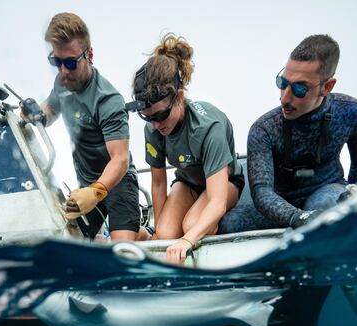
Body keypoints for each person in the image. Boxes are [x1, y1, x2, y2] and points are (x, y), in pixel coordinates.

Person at [220, 34, 357, 234]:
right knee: (228, 224)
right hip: (280, 202)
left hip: (327, 191)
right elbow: (261, 192)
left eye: (300, 89)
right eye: (282, 83)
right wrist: (297, 217)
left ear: (327, 87)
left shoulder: (350, 111)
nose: (284, 98)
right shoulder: (264, 129)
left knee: (325, 209)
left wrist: (350, 198)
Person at [126, 34, 244, 264]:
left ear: (179, 97)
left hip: (226, 184)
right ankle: (145, 236)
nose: (156, 125)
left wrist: (188, 240)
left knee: (191, 226)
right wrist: (161, 238)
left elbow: (217, 201)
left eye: (161, 115)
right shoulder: (153, 129)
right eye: (147, 117)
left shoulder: (210, 128)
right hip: (188, 182)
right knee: (168, 233)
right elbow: (159, 184)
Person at [41, 12, 143, 241]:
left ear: (90, 55)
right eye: (56, 62)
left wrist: (95, 192)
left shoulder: (108, 100)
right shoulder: (62, 82)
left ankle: (143, 235)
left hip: (118, 181)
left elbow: (120, 159)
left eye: (70, 63)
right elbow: (50, 110)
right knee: (68, 245)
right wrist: (34, 114)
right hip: (84, 182)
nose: (63, 71)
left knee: (121, 251)